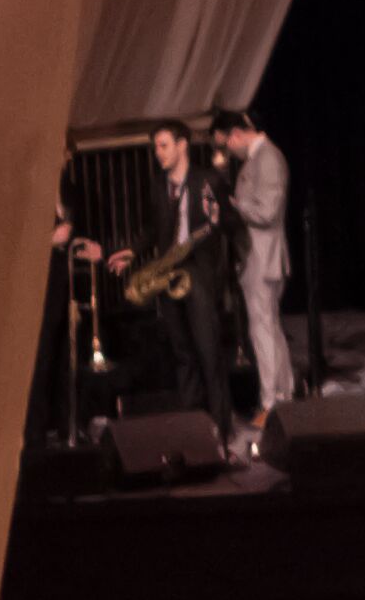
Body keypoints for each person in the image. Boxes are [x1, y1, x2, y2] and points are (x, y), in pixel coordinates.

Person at [78, 121, 235, 423]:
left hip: (198, 276)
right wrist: (133, 252)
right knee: (183, 354)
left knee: (209, 353)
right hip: (168, 277)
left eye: (163, 145)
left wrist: (218, 213)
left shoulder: (207, 180)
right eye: (155, 147)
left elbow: (227, 224)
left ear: (182, 145)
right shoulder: (157, 185)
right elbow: (154, 229)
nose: (158, 153)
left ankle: (221, 427)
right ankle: (194, 423)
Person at [214, 107, 295, 410]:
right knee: (268, 327)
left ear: (236, 135)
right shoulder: (259, 159)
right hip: (259, 257)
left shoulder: (268, 158)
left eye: (225, 144)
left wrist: (233, 205)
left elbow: (267, 211)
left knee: (262, 330)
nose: (227, 152)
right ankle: (283, 397)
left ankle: (271, 401)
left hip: (264, 258)